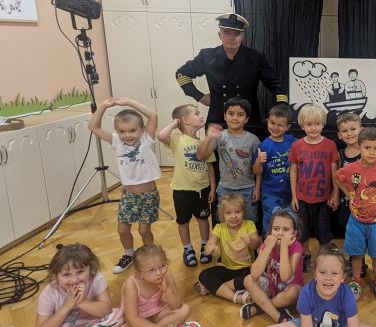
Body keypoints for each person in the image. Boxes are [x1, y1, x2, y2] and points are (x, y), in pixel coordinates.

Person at [175, 12, 288, 128]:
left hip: (248, 121)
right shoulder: (207, 56)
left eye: (237, 33)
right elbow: (182, 74)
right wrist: (200, 97)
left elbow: (275, 85)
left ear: (242, 36)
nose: (231, 38)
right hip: (218, 121)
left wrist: (281, 109)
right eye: (226, 32)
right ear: (219, 35)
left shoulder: (256, 58)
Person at [89, 97, 161, 274]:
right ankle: (128, 254)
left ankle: (150, 257)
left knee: (144, 230)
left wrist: (129, 102)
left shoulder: (147, 139)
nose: (127, 135)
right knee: (122, 229)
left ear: (142, 129)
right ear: (116, 131)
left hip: (148, 195)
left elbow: (153, 115)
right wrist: (103, 106)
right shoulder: (117, 141)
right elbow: (94, 127)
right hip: (129, 195)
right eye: (122, 131)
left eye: (132, 130)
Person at [334, 126, 376, 303]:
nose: (372, 152)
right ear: (359, 147)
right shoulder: (350, 169)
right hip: (356, 222)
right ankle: (356, 281)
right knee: (356, 255)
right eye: (367, 147)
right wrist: (348, 194)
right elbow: (337, 177)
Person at [115, 245, 201, 327]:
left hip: (158, 313)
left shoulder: (166, 276)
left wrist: (167, 290)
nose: (159, 272)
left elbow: (176, 306)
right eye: (151, 270)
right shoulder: (132, 284)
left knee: (185, 309)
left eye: (162, 266)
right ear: (139, 274)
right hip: (137, 321)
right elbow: (133, 319)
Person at [157, 104, 216, 267]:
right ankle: (188, 249)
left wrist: (212, 188)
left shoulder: (204, 143)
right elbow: (161, 135)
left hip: (202, 189)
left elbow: (210, 167)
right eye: (197, 113)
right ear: (185, 120)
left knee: (203, 219)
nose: (201, 116)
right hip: (182, 190)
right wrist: (174, 124)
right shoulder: (177, 139)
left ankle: (204, 245)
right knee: (183, 221)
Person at [289, 104, 339, 272]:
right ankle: (305, 256)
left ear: (323, 124)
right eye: (309, 124)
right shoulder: (297, 145)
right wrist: (294, 196)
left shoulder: (330, 145)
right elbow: (293, 170)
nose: (313, 128)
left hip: (324, 199)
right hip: (302, 198)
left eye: (317, 124)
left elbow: (335, 172)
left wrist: (335, 194)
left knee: (324, 233)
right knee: (302, 232)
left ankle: (323, 258)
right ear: (302, 125)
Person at [197, 97, 260, 223]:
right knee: (226, 223)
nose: (235, 118)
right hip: (225, 189)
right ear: (225, 116)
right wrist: (208, 138)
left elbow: (258, 167)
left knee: (249, 222)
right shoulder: (219, 136)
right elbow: (201, 156)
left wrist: (257, 188)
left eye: (240, 114)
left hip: (247, 189)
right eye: (231, 113)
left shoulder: (253, 139)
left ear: (246, 119)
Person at [193, 194, 260, 304]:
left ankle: (214, 288)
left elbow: (257, 244)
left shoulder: (249, 225)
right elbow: (210, 243)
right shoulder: (219, 228)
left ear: (243, 212)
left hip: (246, 268)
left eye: (237, 212)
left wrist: (251, 241)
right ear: (222, 215)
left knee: (252, 279)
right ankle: (236, 297)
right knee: (204, 275)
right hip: (227, 268)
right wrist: (209, 248)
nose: (233, 216)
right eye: (228, 213)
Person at [240, 208, 304, 322]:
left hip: (289, 290)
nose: (280, 233)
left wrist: (284, 247)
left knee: (294, 292)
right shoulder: (268, 243)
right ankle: (277, 315)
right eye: (276, 229)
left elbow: (285, 277)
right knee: (248, 279)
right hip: (271, 286)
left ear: (294, 234)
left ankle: (260, 307)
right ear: (270, 231)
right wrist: (268, 247)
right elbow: (254, 274)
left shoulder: (296, 247)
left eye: (286, 229)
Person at [253, 103, 297, 233]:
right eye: (272, 123)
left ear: (288, 127)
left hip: (290, 193)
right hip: (270, 193)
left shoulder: (292, 141)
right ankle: (267, 245)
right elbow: (256, 172)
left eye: (280, 125)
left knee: (289, 223)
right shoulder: (264, 145)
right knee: (270, 224)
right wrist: (259, 162)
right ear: (267, 122)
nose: (275, 128)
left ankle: (287, 245)